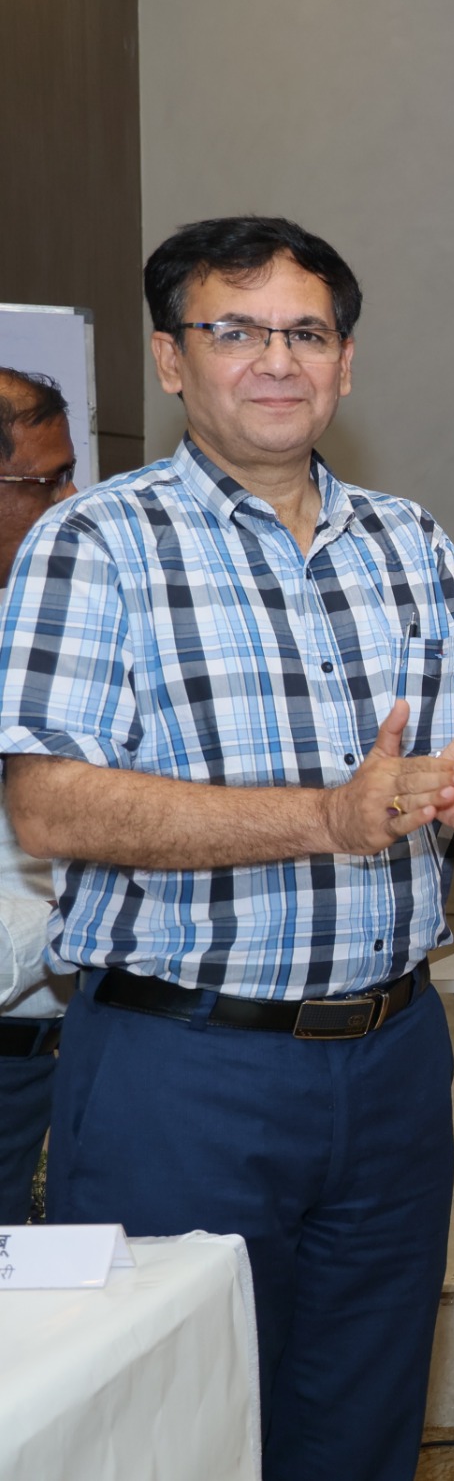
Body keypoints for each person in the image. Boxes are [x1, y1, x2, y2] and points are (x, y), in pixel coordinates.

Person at [0, 216, 454, 1481]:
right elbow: (50, 805)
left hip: (393, 1057)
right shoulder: (95, 541)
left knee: (361, 1419)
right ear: (170, 358)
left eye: (306, 332)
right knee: (171, 1428)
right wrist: (326, 816)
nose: (276, 359)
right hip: (181, 1067)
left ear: (345, 363)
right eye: (236, 330)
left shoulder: (409, 539)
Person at [0, 369, 77, 1222]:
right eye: (46, 482)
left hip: (60, 1051)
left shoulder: (35, 621)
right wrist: (86, 916)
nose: (70, 502)